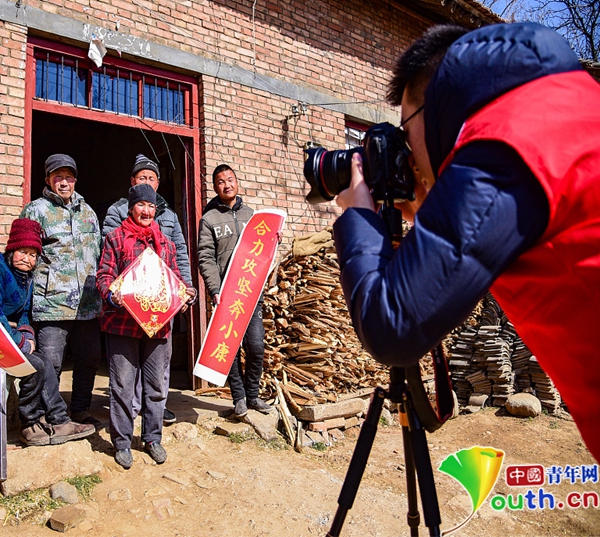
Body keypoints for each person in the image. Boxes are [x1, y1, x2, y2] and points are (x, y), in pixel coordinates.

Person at [332, 23, 600, 461]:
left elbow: (392, 325)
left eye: (405, 130)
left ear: (434, 108)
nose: (407, 155)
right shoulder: (560, 105)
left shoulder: (501, 143)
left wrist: (359, 215)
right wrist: (432, 207)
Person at [0, 218, 95, 445]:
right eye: (22, 252)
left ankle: (58, 421)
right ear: (12, 250)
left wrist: (27, 336)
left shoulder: (26, 278)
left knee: (45, 361)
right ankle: (29, 425)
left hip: (2, 341)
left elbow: (23, 313)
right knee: (35, 365)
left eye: (33, 255)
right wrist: (19, 342)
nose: (28, 259)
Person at [96, 184, 197, 469]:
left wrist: (187, 294)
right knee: (122, 387)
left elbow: (177, 279)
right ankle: (123, 442)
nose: (147, 211)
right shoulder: (115, 239)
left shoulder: (166, 243)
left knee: (155, 386)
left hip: (159, 326)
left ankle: (152, 438)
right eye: (141, 205)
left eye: (151, 206)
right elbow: (103, 275)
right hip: (122, 326)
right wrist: (111, 295)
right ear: (131, 208)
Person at [20, 154, 103, 428]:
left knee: (89, 359)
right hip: (51, 303)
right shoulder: (36, 210)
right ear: (48, 180)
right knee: (51, 363)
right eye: (58, 177)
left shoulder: (88, 212)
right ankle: (50, 416)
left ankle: (79, 409)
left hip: (87, 303)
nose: (64, 182)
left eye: (68, 177)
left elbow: (99, 253)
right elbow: (23, 253)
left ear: (75, 180)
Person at [197, 164, 274, 418]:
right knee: (229, 348)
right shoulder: (209, 220)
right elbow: (205, 256)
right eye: (221, 181)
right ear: (215, 186)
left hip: (250, 295)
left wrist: (275, 239)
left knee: (255, 346)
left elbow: (262, 251)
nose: (227, 185)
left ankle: (253, 395)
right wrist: (214, 289)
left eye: (230, 179)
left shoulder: (254, 216)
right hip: (225, 296)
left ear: (237, 182)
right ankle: (239, 397)